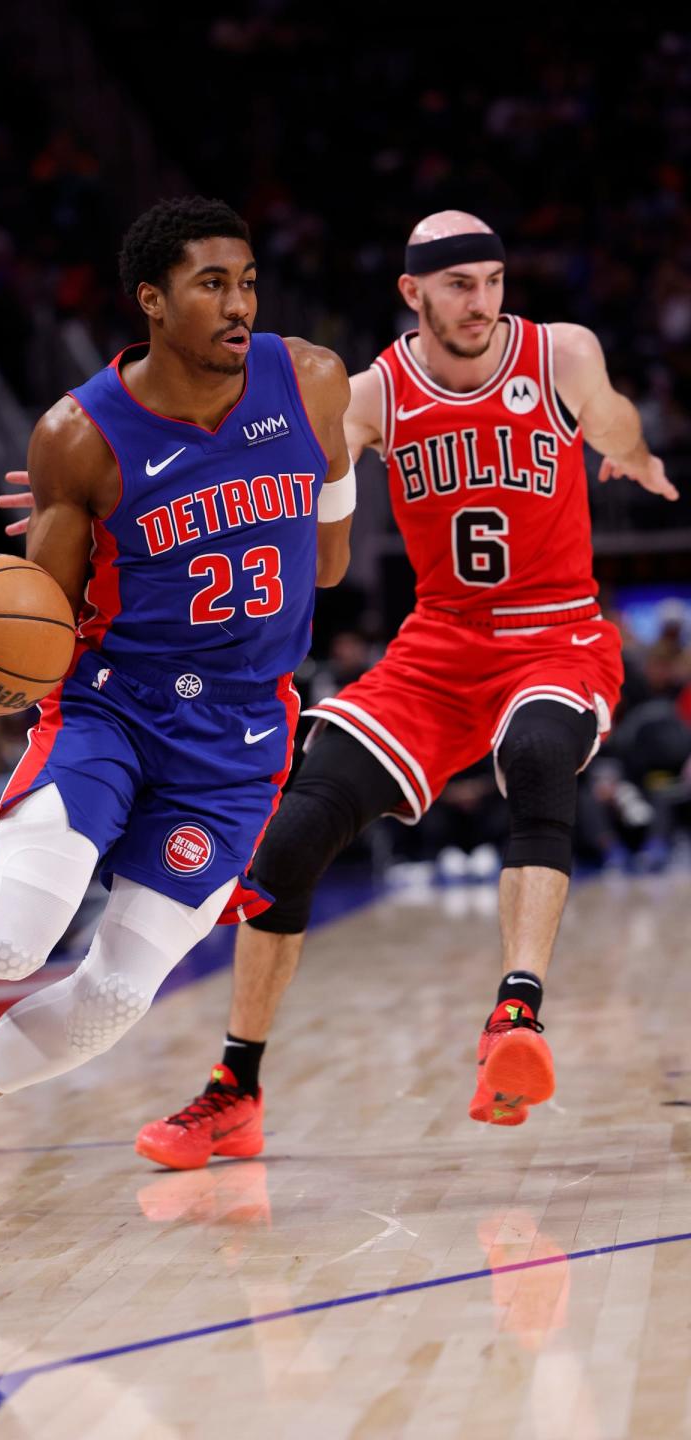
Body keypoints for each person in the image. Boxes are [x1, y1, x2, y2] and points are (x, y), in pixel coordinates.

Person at [0, 196, 354, 1224]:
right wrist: (65, 521)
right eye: (212, 284)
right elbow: (46, 627)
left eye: (249, 280)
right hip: (113, 711)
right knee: (11, 941)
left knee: (117, 998)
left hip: (242, 741)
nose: (239, 305)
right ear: (151, 300)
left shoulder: (309, 380)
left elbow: (336, 556)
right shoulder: (77, 436)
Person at [131, 210, 675, 1168]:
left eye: (494, 281)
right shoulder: (376, 394)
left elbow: (606, 406)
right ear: (412, 293)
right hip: (438, 649)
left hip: (554, 636)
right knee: (291, 843)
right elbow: (265, 462)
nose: (481, 302)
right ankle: (235, 1089)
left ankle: (517, 1016)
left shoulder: (556, 354)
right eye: (459, 284)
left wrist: (622, 443)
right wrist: (119, 485)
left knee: (541, 756)